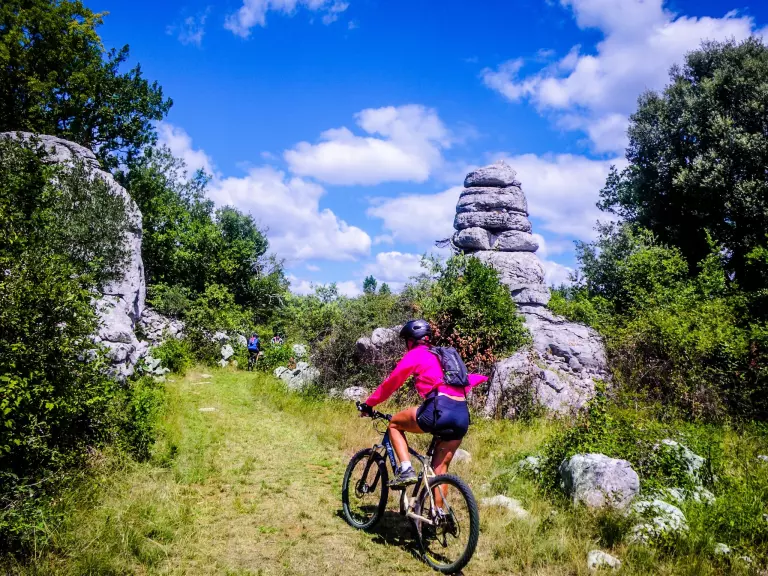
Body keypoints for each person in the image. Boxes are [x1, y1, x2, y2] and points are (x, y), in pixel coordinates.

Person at [359, 319, 488, 488]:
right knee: (439, 471)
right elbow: (468, 380)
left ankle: (406, 469)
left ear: (411, 340)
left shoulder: (416, 354)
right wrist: (485, 378)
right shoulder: (442, 356)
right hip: (462, 415)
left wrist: (369, 404)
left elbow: (391, 383)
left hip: (439, 409)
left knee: (394, 424)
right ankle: (437, 506)